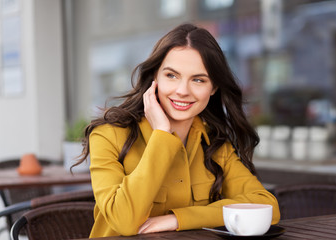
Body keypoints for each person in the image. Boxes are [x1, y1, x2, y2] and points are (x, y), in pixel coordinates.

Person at [75, 23, 280, 237]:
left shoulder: (214, 143)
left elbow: (267, 207)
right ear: (155, 77)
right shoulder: (108, 135)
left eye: (198, 80)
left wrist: (177, 219)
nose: (182, 91)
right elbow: (124, 221)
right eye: (171, 76)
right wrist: (162, 136)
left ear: (214, 88)